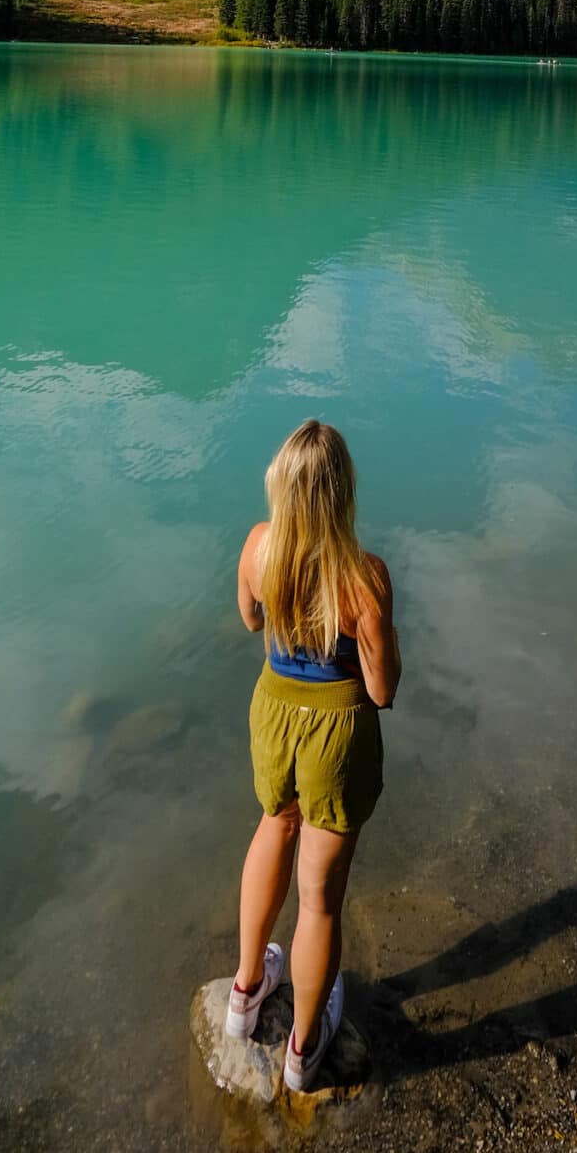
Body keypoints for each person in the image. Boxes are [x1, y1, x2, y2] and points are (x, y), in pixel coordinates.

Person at [225, 419, 402, 1091]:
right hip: (334, 730)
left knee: (274, 821)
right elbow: (382, 690)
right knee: (319, 900)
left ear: (282, 488)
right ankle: (303, 1048)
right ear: (340, 494)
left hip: (273, 712)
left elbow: (249, 619)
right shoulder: (363, 578)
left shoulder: (256, 547)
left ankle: (245, 994)